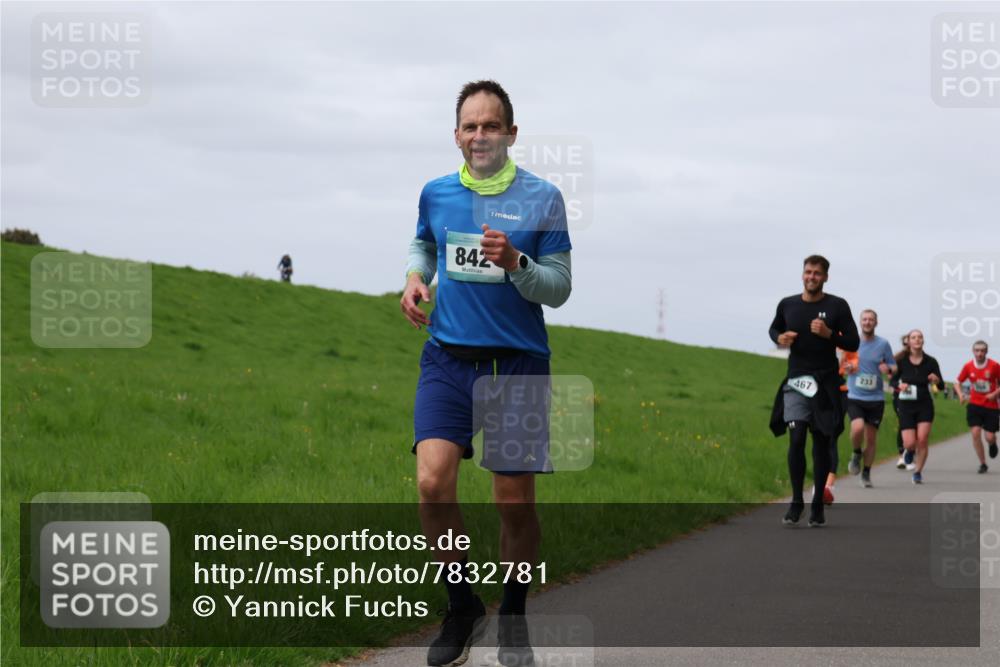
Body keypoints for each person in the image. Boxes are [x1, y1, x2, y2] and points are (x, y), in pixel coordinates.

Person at [400, 80, 572, 667]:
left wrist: (518, 262)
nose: (480, 135)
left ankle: (515, 615)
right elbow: (425, 244)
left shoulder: (543, 198)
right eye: (470, 126)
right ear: (456, 136)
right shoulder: (437, 193)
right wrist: (415, 277)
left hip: (517, 364)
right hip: (447, 358)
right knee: (431, 483)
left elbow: (560, 288)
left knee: (513, 502)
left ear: (511, 134)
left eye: (490, 125)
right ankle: (462, 605)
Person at [769, 255, 859, 527]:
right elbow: (774, 328)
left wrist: (829, 334)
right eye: (808, 272)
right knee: (796, 438)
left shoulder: (837, 306)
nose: (811, 277)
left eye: (817, 273)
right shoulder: (788, 304)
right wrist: (779, 338)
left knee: (820, 443)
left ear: (825, 277)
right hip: (797, 381)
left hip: (826, 383)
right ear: (802, 274)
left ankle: (818, 501)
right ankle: (797, 501)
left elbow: (853, 341)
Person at [844, 310, 896, 487]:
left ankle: (866, 473)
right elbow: (841, 363)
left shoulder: (883, 344)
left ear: (876, 322)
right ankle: (856, 452)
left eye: (871, 319)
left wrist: (887, 369)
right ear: (860, 322)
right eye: (864, 319)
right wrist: (847, 366)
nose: (867, 322)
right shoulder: (852, 342)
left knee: (872, 438)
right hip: (855, 395)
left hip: (875, 398)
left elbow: (893, 366)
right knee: (857, 428)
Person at [890, 330, 944, 484]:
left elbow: (940, 386)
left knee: (922, 439)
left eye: (920, 337)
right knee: (909, 442)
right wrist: (900, 385)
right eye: (914, 337)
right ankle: (909, 450)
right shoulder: (901, 361)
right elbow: (892, 381)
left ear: (923, 341)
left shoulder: (931, 361)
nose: (917, 339)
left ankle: (918, 472)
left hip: (924, 404)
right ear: (909, 341)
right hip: (906, 404)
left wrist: (936, 380)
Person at [954, 340, 1000, 474]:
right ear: (973, 351)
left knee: (989, 437)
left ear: (986, 352)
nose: (979, 353)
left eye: (982, 351)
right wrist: (961, 394)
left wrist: (994, 394)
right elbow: (957, 382)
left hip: (991, 406)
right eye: (977, 350)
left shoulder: (994, 366)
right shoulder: (968, 366)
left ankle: (992, 443)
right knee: (975, 433)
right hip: (974, 405)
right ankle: (983, 463)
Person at [893, 334, 911, 469]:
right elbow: (892, 378)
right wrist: (899, 385)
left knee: (915, 427)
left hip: (918, 399)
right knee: (903, 424)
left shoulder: (924, 359)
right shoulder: (899, 359)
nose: (908, 347)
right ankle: (901, 455)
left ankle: (910, 452)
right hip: (900, 397)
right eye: (905, 344)